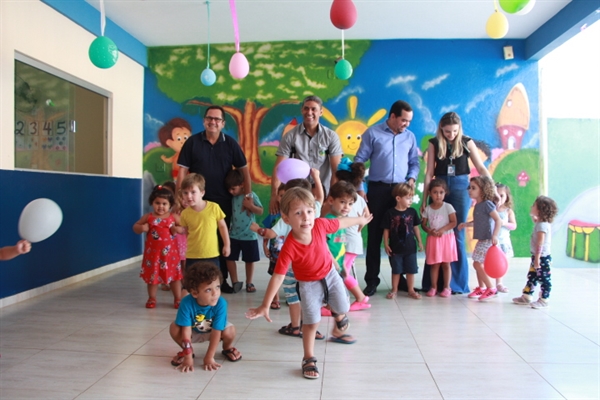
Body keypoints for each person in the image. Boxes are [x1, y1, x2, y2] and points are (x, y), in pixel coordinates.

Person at [246, 187, 373, 380]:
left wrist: (360, 220)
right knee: (311, 323)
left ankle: (338, 315)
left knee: (344, 306)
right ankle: (308, 357)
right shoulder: (289, 246)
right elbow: (278, 277)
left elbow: (341, 222)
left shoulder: (320, 225)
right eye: (298, 213)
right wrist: (265, 304)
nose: (306, 217)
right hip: (308, 285)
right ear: (287, 219)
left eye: (309, 211)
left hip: (330, 274)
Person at [177, 105, 251, 293]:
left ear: (223, 123)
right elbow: (182, 171)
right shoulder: (192, 142)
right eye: (210, 118)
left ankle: (219, 281)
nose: (213, 122)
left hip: (223, 202)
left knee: (220, 242)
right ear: (204, 120)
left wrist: (247, 196)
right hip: (196, 202)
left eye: (217, 119)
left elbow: (244, 170)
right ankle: (192, 282)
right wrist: (180, 197)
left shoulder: (230, 143)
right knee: (195, 240)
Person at [354, 100, 420, 296]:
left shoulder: (410, 137)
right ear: (392, 117)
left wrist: (411, 177)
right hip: (377, 190)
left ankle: (399, 280)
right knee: (374, 236)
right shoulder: (372, 133)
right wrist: (360, 187)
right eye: (404, 120)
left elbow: (414, 162)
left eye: (409, 121)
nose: (406, 124)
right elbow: (359, 160)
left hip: (400, 192)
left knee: (400, 236)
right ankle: (372, 281)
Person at [420, 112, 491, 294]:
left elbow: (481, 167)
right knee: (435, 233)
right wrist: (423, 199)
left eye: (454, 131)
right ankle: (433, 284)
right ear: (441, 129)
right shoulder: (434, 143)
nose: (450, 135)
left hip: (460, 187)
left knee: (456, 233)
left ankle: (456, 285)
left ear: (459, 129)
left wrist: (492, 188)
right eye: (447, 132)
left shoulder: (467, 142)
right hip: (439, 186)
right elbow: (429, 173)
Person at [252, 170, 326, 340]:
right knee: (310, 296)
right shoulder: (313, 211)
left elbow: (270, 234)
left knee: (293, 296)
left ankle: (295, 327)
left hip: (291, 264)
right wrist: (316, 178)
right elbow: (320, 198)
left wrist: (258, 229)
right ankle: (312, 326)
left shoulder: (288, 217)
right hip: (310, 264)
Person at [269, 95, 343, 214]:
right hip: (297, 194)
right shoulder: (290, 136)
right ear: (302, 110)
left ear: (321, 112)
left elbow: (336, 171)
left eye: (314, 109)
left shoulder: (331, 137)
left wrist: (331, 197)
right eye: (306, 108)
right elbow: (279, 168)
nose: (309, 112)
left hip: (321, 194)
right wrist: (274, 195)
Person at [170, 261, 241, 372]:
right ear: (194, 293)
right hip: (193, 331)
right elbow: (186, 331)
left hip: (214, 331)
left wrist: (209, 357)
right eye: (208, 290)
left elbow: (217, 331)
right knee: (174, 327)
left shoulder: (221, 303)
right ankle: (187, 351)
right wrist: (188, 357)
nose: (215, 293)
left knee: (230, 330)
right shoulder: (186, 303)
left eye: (217, 287)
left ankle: (227, 348)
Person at [172, 173, 230, 289]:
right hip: (193, 255)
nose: (189, 196)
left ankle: (211, 304)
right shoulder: (185, 213)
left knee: (212, 283)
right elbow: (187, 232)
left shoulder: (214, 207)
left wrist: (227, 245)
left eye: (193, 192)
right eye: (185, 193)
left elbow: (222, 227)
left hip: (211, 254)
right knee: (191, 285)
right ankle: (190, 305)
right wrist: (177, 230)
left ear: (202, 193)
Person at [321, 181, 371, 315]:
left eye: (350, 204)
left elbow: (341, 245)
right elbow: (323, 244)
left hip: (337, 263)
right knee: (332, 284)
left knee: (339, 282)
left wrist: (341, 262)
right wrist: (333, 261)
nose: (346, 207)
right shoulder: (331, 221)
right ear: (331, 200)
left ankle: (334, 308)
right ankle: (333, 307)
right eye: (342, 202)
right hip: (330, 263)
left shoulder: (340, 220)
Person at [133, 185, 183, 309]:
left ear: (170, 205)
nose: (161, 206)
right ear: (152, 203)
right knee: (152, 278)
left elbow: (184, 228)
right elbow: (135, 227)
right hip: (153, 255)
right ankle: (152, 297)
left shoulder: (173, 217)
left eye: (164, 203)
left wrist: (178, 229)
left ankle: (178, 298)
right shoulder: (148, 217)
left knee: (174, 278)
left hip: (170, 256)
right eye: (157, 203)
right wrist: (141, 228)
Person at [458, 176, 502, 302]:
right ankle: (481, 288)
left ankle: (491, 288)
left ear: (482, 190)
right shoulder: (477, 205)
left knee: (477, 263)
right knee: (478, 263)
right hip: (481, 238)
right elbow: (478, 221)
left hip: (488, 239)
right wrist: (466, 224)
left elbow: (498, 220)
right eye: (469, 188)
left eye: (473, 188)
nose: (470, 191)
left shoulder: (487, 204)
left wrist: (495, 235)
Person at [328, 158, 369, 290]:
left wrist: (358, 223)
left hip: (348, 243)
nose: (347, 206)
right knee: (342, 271)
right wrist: (360, 225)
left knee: (341, 272)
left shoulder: (341, 201)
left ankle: (359, 298)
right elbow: (367, 216)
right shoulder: (359, 199)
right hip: (351, 242)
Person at [512, 196, 558, 309]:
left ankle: (544, 299)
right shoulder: (542, 223)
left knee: (544, 278)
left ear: (540, 209)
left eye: (534, 205)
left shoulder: (542, 226)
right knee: (532, 276)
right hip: (537, 257)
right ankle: (527, 296)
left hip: (542, 257)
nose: (531, 207)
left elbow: (540, 243)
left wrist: (537, 258)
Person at [381, 183, 424, 300]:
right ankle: (394, 290)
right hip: (395, 248)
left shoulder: (413, 212)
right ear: (398, 198)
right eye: (408, 198)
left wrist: (419, 241)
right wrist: (385, 243)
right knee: (396, 270)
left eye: (411, 198)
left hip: (410, 248)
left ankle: (411, 290)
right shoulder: (390, 213)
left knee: (411, 270)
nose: (410, 200)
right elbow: (386, 229)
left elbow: (416, 228)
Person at [224, 169, 263, 293]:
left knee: (250, 260)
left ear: (241, 184)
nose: (231, 191)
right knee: (229, 258)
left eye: (233, 188)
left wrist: (251, 206)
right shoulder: (231, 197)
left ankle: (249, 282)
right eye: (229, 189)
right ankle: (235, 281)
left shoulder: (250, 196)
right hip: (234, 234)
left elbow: (260, 210)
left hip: (249, 234)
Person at [421, 179, 458, 298]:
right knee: (435, 264)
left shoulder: (448, 207)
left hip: (446, 238)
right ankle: (433, 287)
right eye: (435, 192)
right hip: (433, 240)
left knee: (446, 264)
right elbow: (423, 224)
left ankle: (447, 287)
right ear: (430, 193)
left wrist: (442, 230)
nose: (438, 195)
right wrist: (429, 231)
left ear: (445, 193)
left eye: (441, 192)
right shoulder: (428, 209)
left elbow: (454, 222)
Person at [261, 183, 286, 309]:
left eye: (286, 195)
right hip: (275, 251)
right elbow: (266, 231)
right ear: (277, 197)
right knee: (275, 273)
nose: (283, 198)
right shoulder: (273, 214)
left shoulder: (293, 214)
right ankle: (275, 298)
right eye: (281, 195)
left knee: (289, 274)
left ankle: (290, 296)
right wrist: (265, 246)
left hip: (289, 252)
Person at [495, 183, 517, 293]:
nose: (499, 198)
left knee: (501, 264)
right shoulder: (490, 209)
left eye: (502, 195)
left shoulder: (508, 211)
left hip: (503, 242)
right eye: (496, 195)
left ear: (507, 196)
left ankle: (499, 283)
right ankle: (485, 284)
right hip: (492, 242)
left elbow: (514, 226)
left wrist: (504, 223)